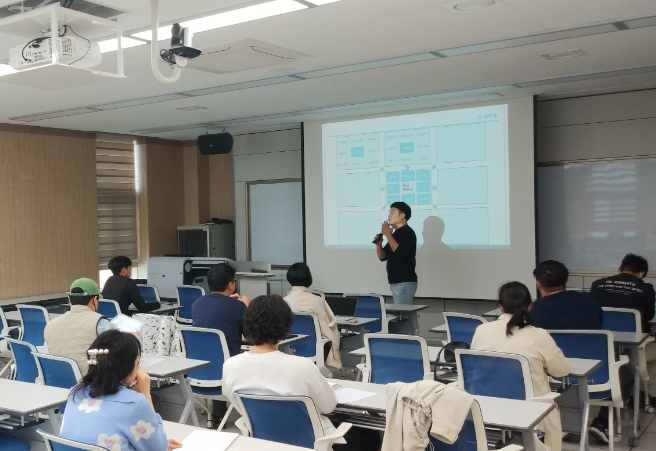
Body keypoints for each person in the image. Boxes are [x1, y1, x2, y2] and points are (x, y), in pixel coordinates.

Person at [223, 294, 380, 451]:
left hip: (264, 444)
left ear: (247, 325)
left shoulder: (230, 366)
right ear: (286, 326)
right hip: (313, 445)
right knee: (369, 434)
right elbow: (328, 407)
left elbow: (235, 401)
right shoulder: (302, 366)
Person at [471, 282, 569, 451]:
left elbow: (475, 364)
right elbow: (561, 371)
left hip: (486, 406)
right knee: (551, 411)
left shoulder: (481, 330)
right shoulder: (539, 335)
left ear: (500, 307)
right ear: (530, 306)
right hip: (527, 409)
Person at [60, 330, 182, 451]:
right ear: (129, 366)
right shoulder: (135, 403)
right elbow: (158, 449)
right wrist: (145, 393)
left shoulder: (75, 394)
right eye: (138, 361)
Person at [192, 262, 250, 426]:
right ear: (231, 285)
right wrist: (246, 307)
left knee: (216, 352)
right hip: (227, 369)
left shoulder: (197, 304)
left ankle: (217, 414)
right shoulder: (238, 306)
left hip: (198, 369)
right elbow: (251, 337)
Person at [44, 278, 115, 375]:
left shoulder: (50, 325)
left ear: (69, 300)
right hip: (90, 380)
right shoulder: (101, 323)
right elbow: (118, 349)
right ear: (95, 300)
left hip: (58, 379)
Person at [283, 262, 342, 369]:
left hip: (288, 349)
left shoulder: (283, 302)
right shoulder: (317, 301)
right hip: (314, 350)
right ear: (309, 278)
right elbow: (329, 327)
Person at [591, 253, 656, 332]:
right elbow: (649, 316)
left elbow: (591, 310)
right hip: (634, 335)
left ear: (619, 270)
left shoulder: (597, 284)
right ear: (641, 274)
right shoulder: (647, 289)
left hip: (602, 334)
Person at [531, 260, 603, 330]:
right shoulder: (589, 300)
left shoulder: (533, 309)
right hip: (588, 339)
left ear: (538, 285)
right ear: (566, 279)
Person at [375, 201, 417, 305]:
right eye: (389, 213)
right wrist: (379, 244)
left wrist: (388, 235)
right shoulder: (395, 234)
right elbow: (383, 256)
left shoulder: (407, 232)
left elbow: (400, 253)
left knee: (402, 312)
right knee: (405, 312)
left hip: (404, 282)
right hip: (396, 282)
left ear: (402, 215)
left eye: (393, 213)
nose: (389, 216)